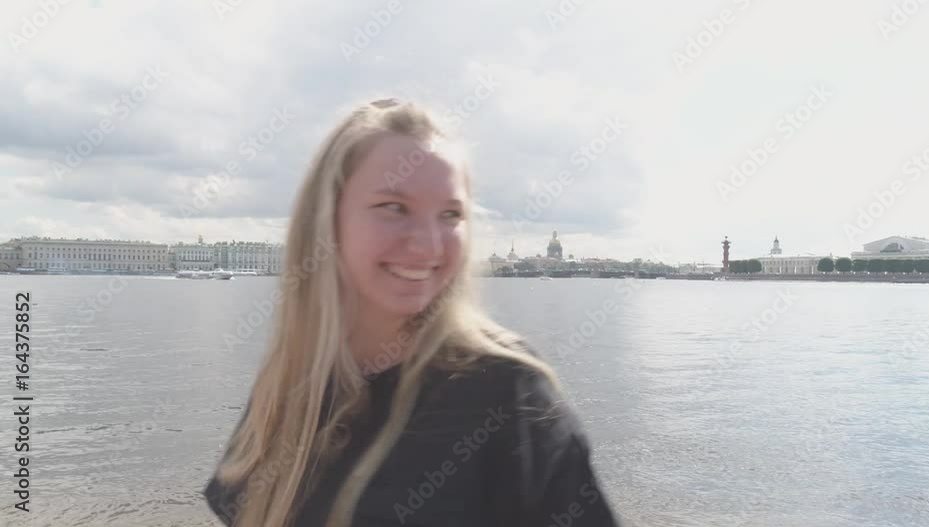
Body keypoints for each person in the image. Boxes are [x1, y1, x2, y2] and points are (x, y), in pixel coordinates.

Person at [201, 98, 621, 526]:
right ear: (327, 222)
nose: (428, 244)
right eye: (394, 207)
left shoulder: (507, 393)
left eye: (450, 215)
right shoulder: (291, 383)